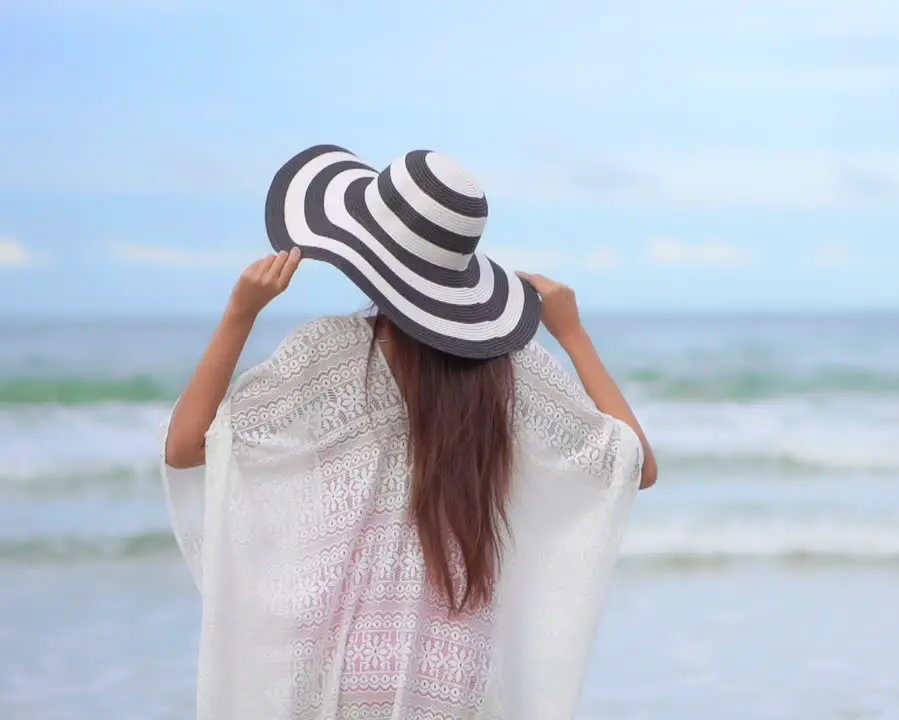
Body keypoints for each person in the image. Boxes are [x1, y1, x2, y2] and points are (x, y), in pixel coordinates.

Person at [161, 144, 657, 719]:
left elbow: (186, 446)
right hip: (456, 661)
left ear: (367, 252)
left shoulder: (332, 350)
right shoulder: (509, 370)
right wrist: (572, 334)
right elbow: (635, 465)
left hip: (341, 650)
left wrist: (240, 313)